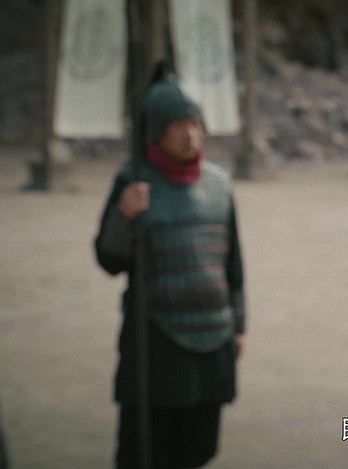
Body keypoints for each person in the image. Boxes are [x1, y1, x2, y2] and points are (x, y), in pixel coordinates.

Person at [95, 74, 245, 468]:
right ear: (157, 132)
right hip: (156, 339)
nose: (190, 135)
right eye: (178, 125)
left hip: (213, 335)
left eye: (195, 124)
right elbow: (109, 260)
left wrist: (238, 323)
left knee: (197, 449)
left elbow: (233, 262)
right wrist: (124, 216)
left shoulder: (218, 184)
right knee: (146, 450)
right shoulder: (134, 182)